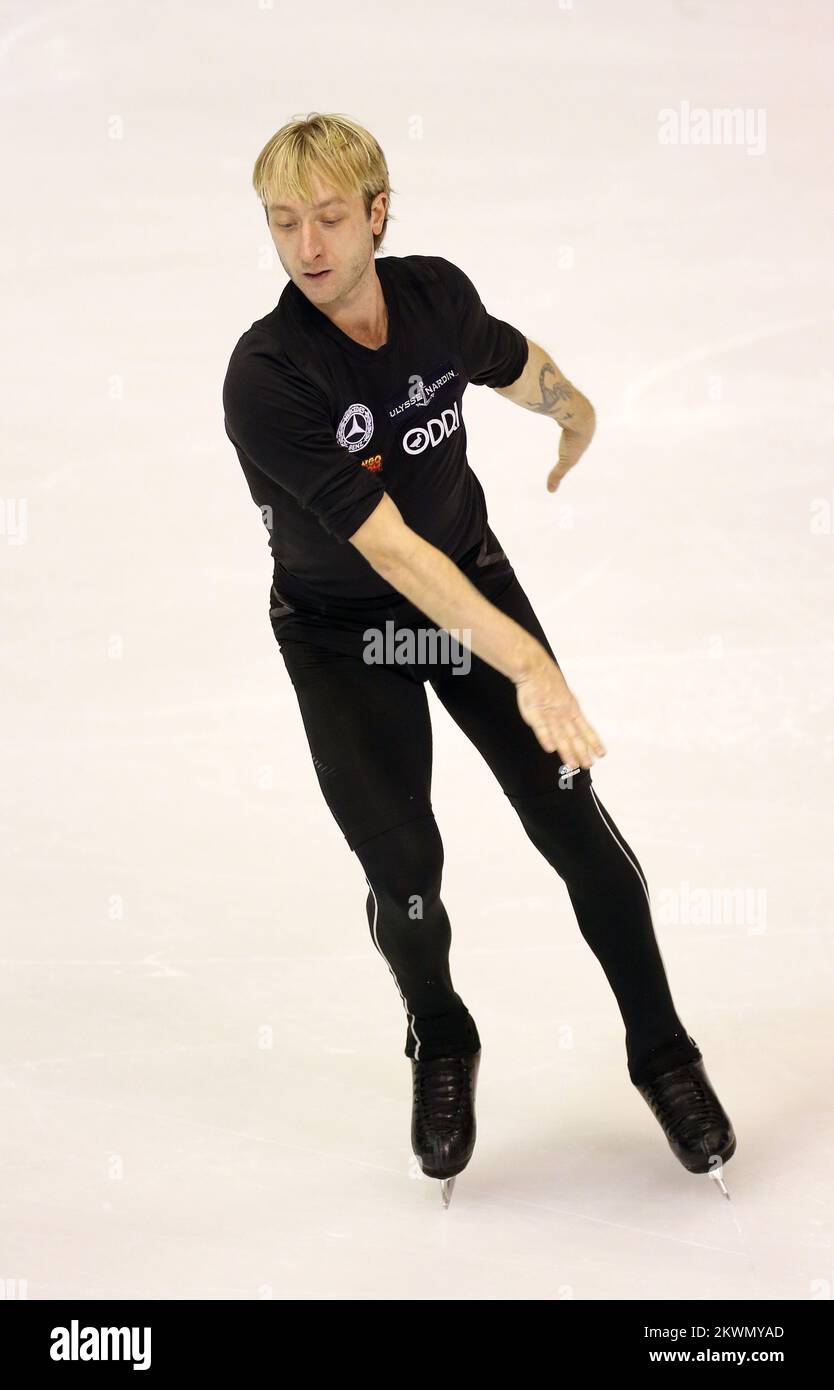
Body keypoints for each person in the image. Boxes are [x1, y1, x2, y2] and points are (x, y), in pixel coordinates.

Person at [222, 112, 736, 1202]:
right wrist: (531, 664)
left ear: (377, 212)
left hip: (474, 580)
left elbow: (508, 359)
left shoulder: (432, 296)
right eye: (282, 223)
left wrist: (573, 409)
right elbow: (395, 560)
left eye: (326, 218)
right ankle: (441, 1033)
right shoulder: (268, 376)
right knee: (405, 874)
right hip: (343, 632)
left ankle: (664, 1053)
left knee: (577, 830)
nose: (306, 246)